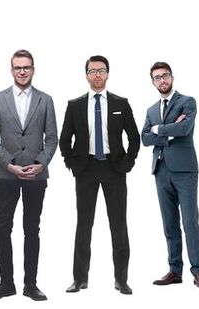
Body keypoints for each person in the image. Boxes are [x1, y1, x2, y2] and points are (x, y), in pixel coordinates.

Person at [60, 55, 140, 295]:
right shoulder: (75, 105)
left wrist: (127, 163)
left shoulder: (120, 103)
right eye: (92, 71)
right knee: (84, 225)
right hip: (86, 170)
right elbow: (65, 139)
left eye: (101, 70)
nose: (97, 75)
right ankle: (79, 279)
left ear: (107, 74)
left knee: (119, 225)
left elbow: (134, 138)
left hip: (114, 170)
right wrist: (72, 164)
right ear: (86, 75)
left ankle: (121, 279)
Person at [0, 49, 55, 302]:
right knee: (2, 229)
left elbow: (52, 138)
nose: (22, 71)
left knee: (31, 229)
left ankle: (30, 285)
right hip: (6, 175)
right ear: (11, 70)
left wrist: (40, 164)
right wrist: (9, 163)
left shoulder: (45, 100)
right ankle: (6, 283)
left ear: (33, 69)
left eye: (27, 67)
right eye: (17, 67)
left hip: (36, 175)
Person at [139, 62, 199, 288]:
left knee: (190, 221)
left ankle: (197, 271)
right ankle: (174, 270)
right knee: (169, 224)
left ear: (172, 77)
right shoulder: (150, 110)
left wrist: (158, 129)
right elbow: (145, 138)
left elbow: (185, 129)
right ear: (152, 82)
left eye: (165, 76)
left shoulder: (187, 102)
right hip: (161, 170)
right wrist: (166, 132)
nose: (162, 80)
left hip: (185, 170)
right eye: (157, 77)